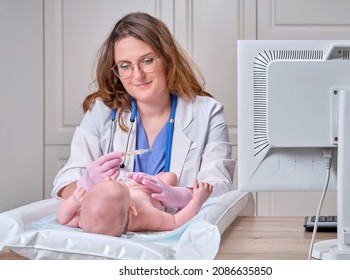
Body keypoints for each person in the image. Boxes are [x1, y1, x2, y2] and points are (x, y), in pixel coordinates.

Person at [51, 12, 235, 209]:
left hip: (180, 233)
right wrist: (86, 183)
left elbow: (219, 187)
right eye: (125, 66)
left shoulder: (207, 113)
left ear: (167, 58)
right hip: (115, 235)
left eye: (147, 60)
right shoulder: (102, 112)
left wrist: (181, 196)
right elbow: (62, 189)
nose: (137, 75)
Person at [56, 172, 213, 237]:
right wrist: (196, 200)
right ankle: (166, 184)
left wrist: (73, 201)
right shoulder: (146, 215)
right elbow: (175, 222)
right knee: (170, 176)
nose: (108, 178)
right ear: (132, 208)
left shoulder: (89, 221)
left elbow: (63, 218)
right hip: (154, 193)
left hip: (134, 185)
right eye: (118, 183)